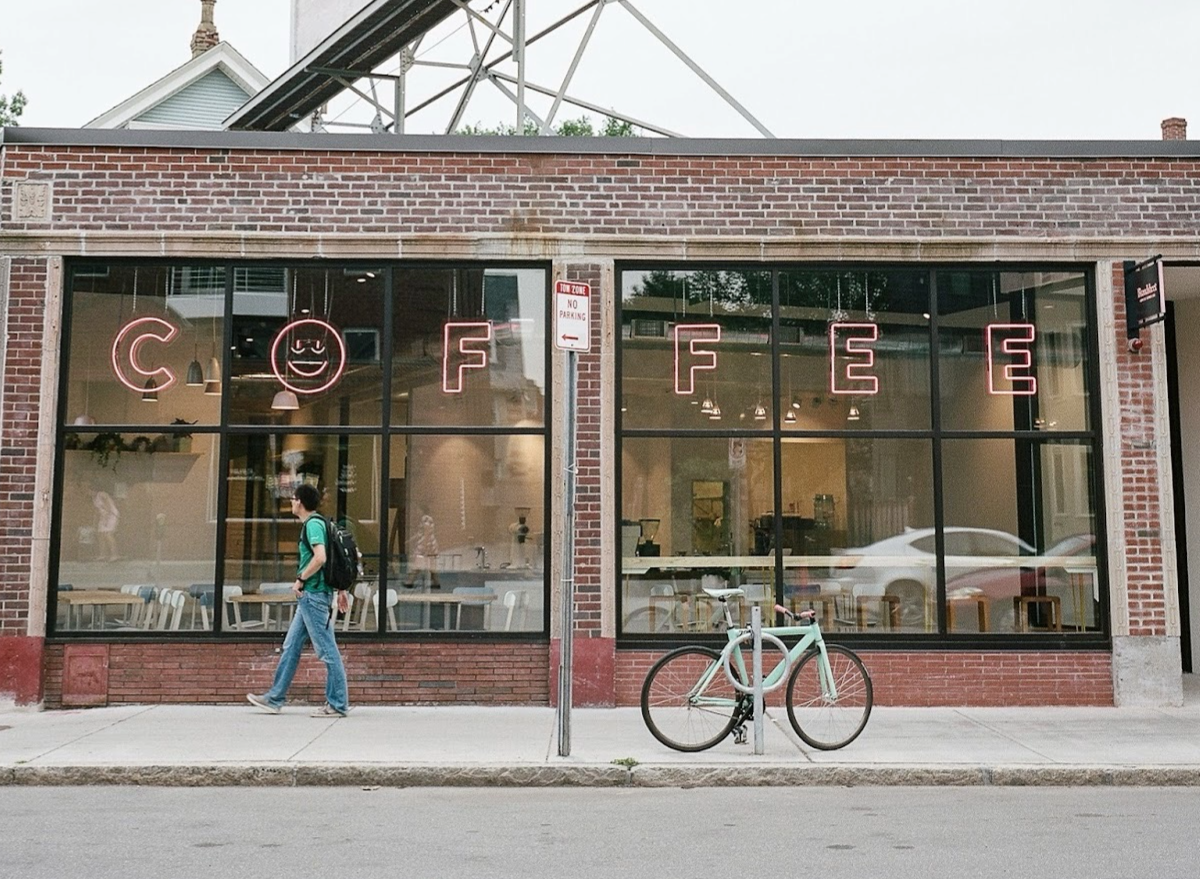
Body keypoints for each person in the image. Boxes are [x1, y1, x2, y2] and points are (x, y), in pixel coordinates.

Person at [247, 483, 350, 717]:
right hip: (311, 598)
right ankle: (275, 698)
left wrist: (300, 579)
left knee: (326, 650)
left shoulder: (313, 525)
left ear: (300, 502)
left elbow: (321, 557)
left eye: (293, 499)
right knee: (291, 646)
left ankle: (338, 704)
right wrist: (340, 589)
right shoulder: (320, 522)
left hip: (313, 596)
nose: (291, 502)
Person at [89, 484, 120, 561]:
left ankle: (114, 555)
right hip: (104, 516)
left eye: (89, 490)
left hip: (111, 515)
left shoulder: (102, 494)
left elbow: (108, 507)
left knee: (108, 534)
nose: (88, 492)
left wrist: (106, 519)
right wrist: (95, 522)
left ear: (93, 490)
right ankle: (103, 555)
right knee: (100, 534)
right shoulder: (94, 498)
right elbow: (97, 511)